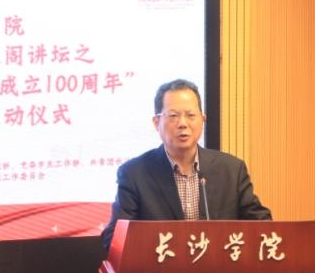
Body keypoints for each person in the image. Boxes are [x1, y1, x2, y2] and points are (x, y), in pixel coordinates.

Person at [101, 78, 272, 250]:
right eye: (173, 116)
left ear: (203, 120)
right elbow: (114, 239)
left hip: (218, 266)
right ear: (156, 122)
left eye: (191, 115)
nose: (183, 124)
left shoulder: (232, 170)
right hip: (162, 266)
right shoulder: (134, 174)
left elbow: (262, 226)